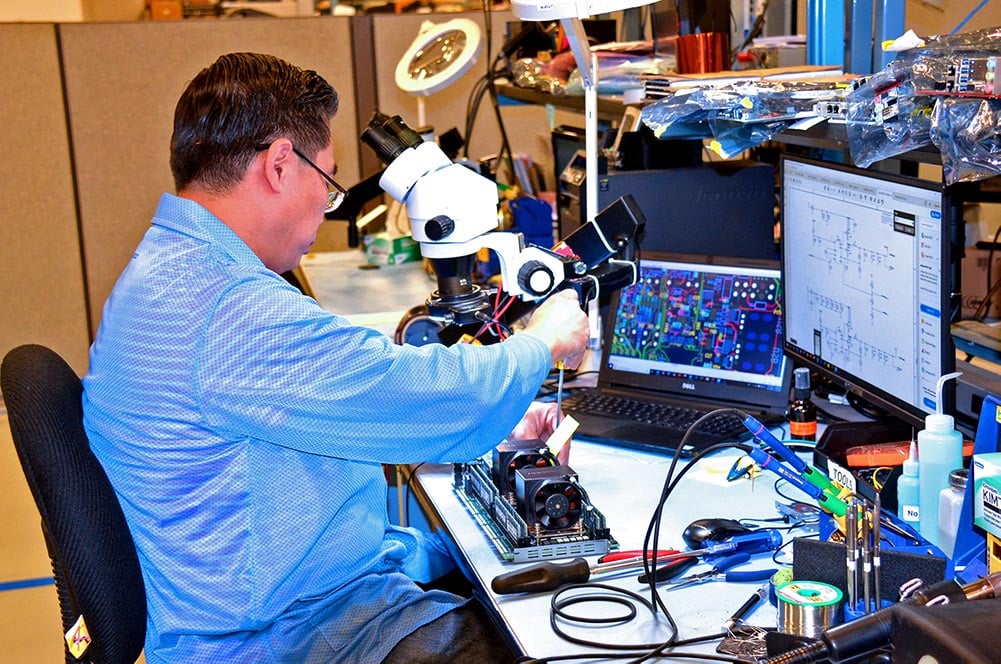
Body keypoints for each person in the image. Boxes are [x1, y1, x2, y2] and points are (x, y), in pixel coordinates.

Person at [82, 52, 589, 663]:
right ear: (277, 165)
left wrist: (488, 442)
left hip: (265, 598)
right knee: (572, 641)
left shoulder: (163, 270)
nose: (325, 212)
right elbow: (407, 392)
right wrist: (543, 342)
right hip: (285, 638)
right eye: (326, 185)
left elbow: (320, 421)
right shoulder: (227, 309)